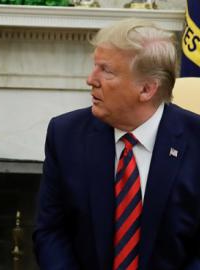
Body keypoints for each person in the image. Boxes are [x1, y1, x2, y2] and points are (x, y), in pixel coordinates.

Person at [33, 18, 200, 270]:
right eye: (94, 66)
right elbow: (51, 231)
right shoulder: (65, 135)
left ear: (146, 89)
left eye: (106, 70)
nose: (91, 79)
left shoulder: (195, 142)